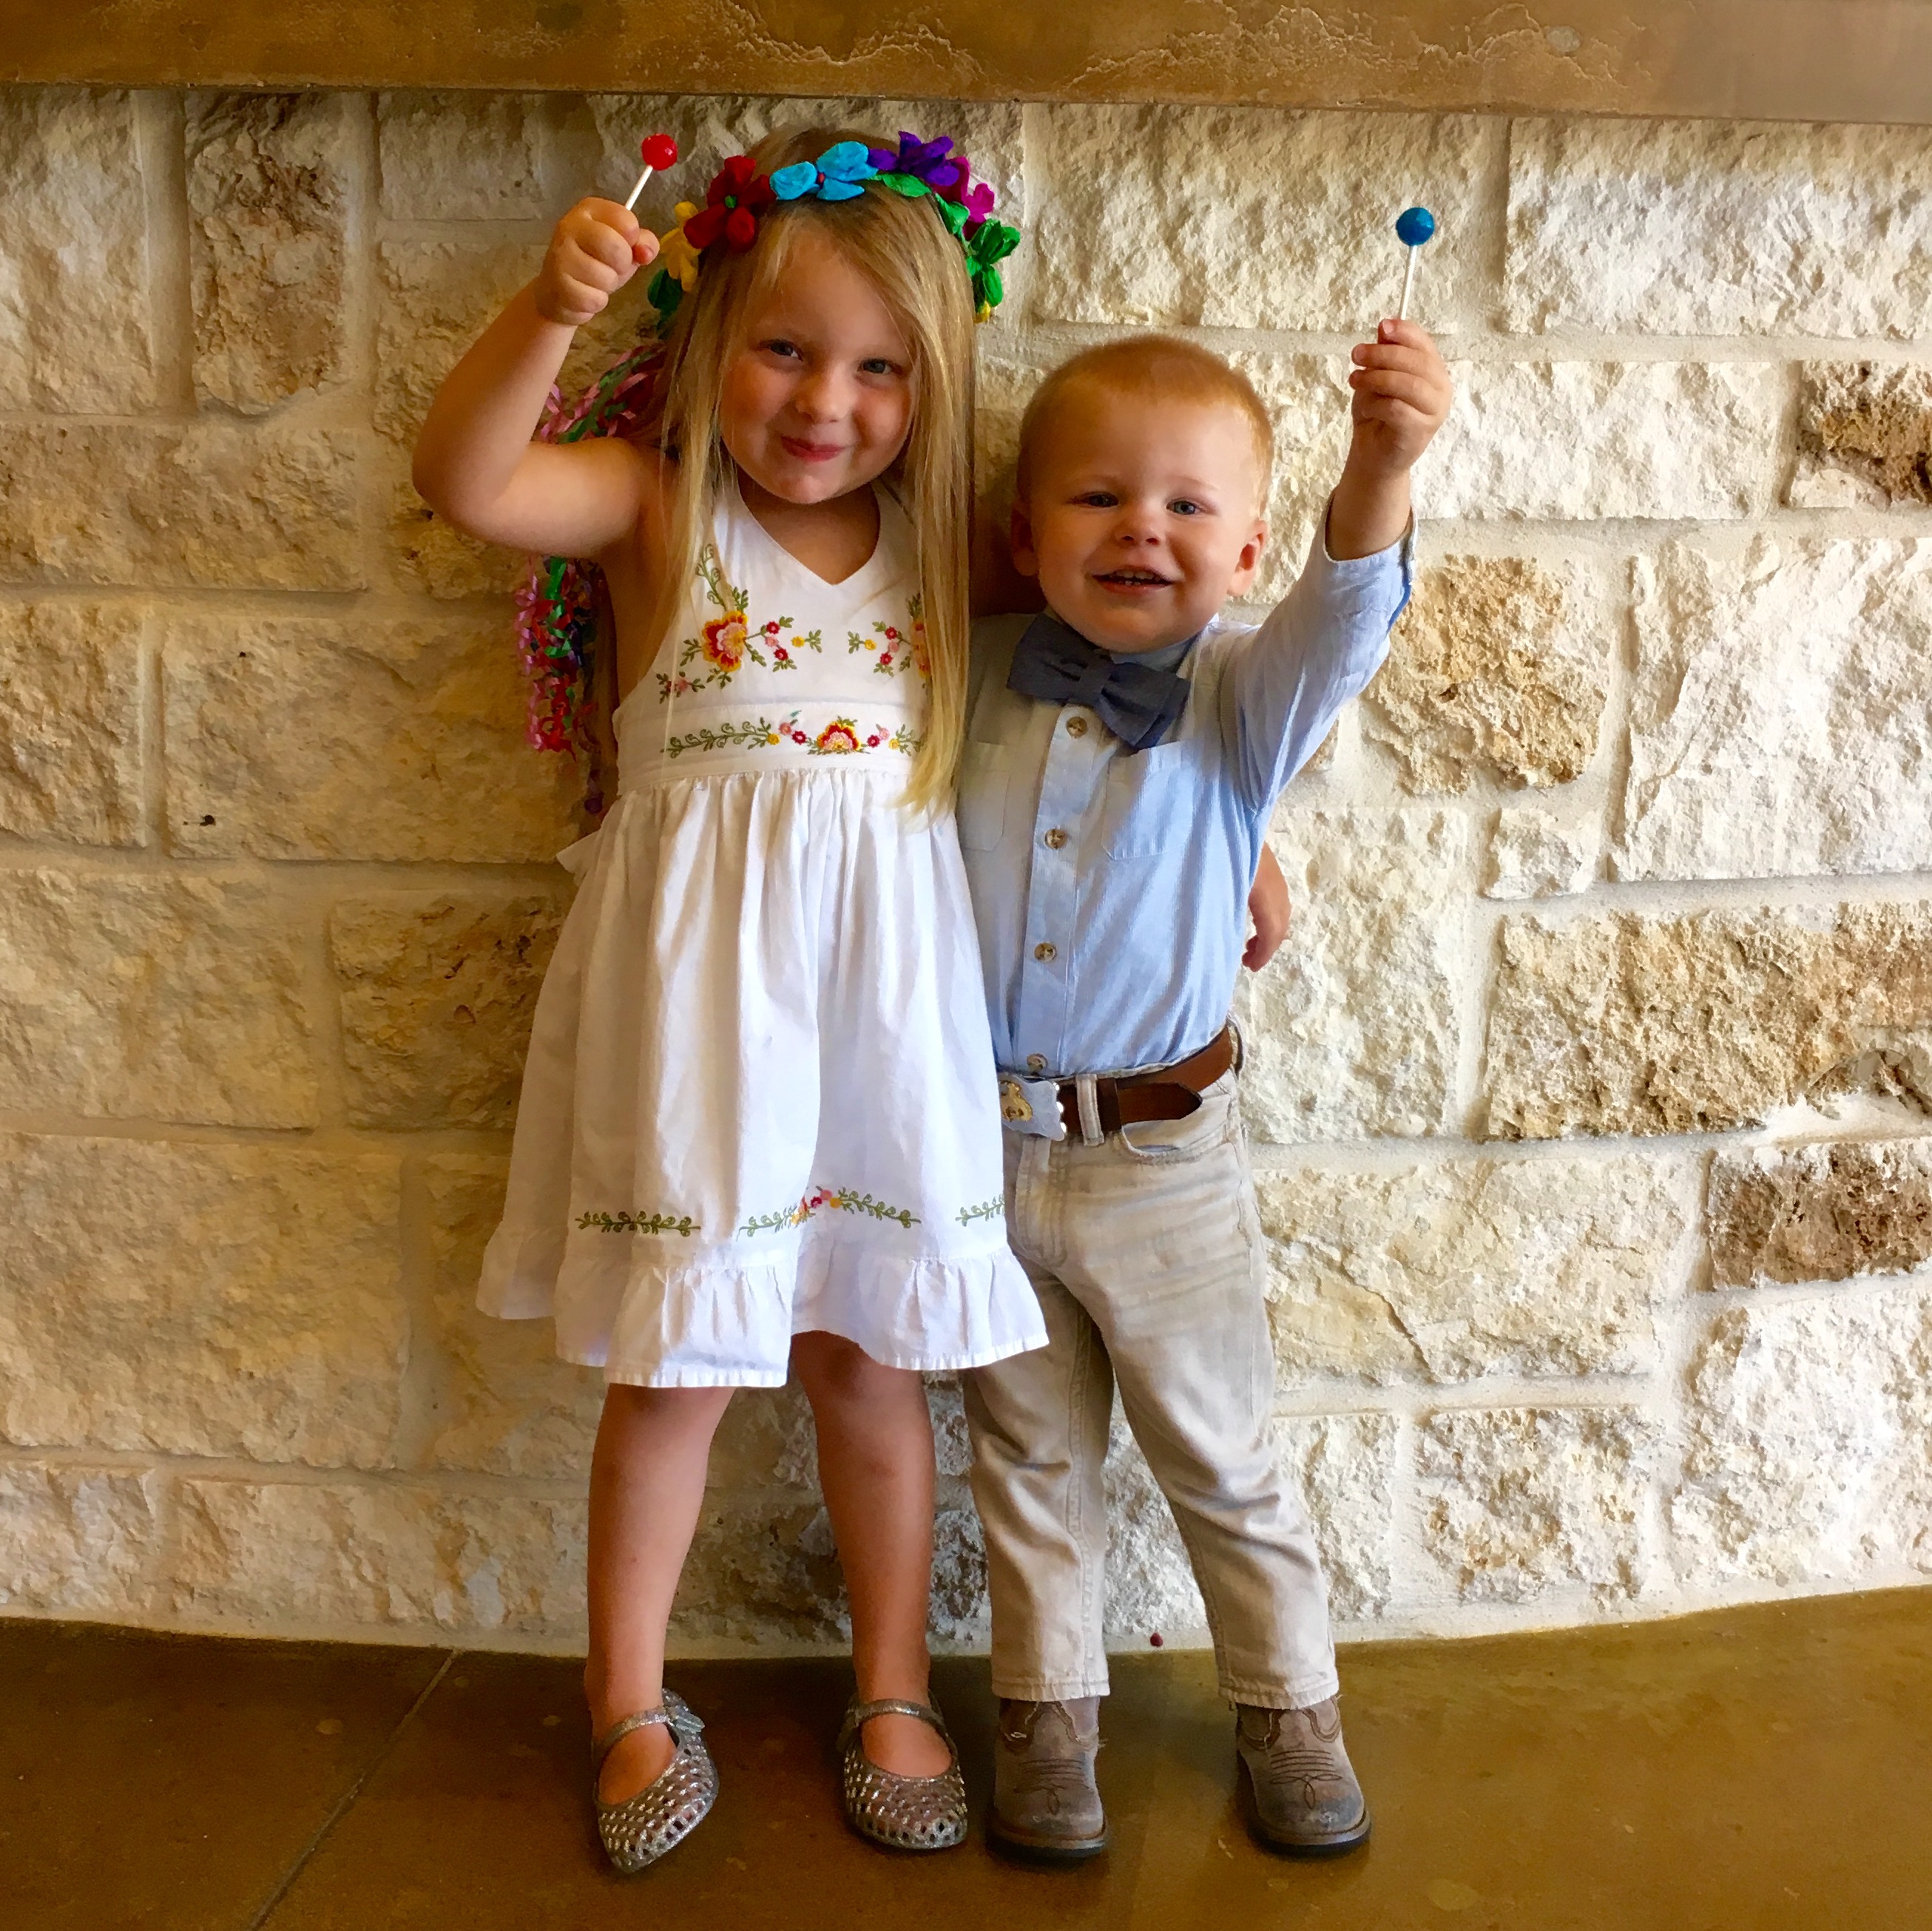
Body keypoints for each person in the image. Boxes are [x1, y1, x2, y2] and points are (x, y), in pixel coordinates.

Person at [411, 124, 1046, 1873]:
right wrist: (548, 311)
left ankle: (894, 1683)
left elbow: (1127, 618)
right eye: (783, 347)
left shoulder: (942, 551)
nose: (825, 402)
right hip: (702, 1027)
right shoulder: (652, 505)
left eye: (879, 369)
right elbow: (468, 480)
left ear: (933, 384)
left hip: (884, 1031)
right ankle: (624, 1695)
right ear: (706, 336)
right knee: (674, 1372)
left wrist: (1242, 836)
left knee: (868, 1364)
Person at [958, 325, 1452, 1858]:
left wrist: (1380, 460)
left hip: (1161, 1165)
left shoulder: (1246, 698)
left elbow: (1346, 613)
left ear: (1244, 551)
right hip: (977, 1153)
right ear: (1021, 533)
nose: (1140, 530)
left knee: (1220, 1456)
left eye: (1186, 507)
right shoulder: (959, 680)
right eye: (1097, 497)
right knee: (1026, 1459)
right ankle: (1046, 1713)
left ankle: (1289, 1706)